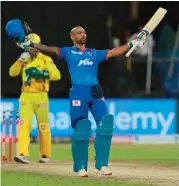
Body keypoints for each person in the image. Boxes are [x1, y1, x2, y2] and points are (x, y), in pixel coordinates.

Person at [19, 26, 145, 176]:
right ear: (72, 37)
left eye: (84, 32)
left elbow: (113, 52)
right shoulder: (68, 52)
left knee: (106, 124)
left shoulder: (93, 53)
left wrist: (132, 43)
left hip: (95, 91)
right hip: (78, 92)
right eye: (79, 33)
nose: (83, 34)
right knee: (82, 128)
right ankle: (80, 166)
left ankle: (102, 165)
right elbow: (48, 49)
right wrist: (32, 44)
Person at [9, 33, 61, 164]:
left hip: (41, 96)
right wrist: (20, 60)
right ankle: (22, 154)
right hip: (25, 96)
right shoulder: (24, 59)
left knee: (43, 126)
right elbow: (12, 73)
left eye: (33, 46)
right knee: (23, 125)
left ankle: (45, 155)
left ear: (38, 47)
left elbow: (57, 75)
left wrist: (42, 74)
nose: (31, 49)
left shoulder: (45, 59)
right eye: (29, 47)